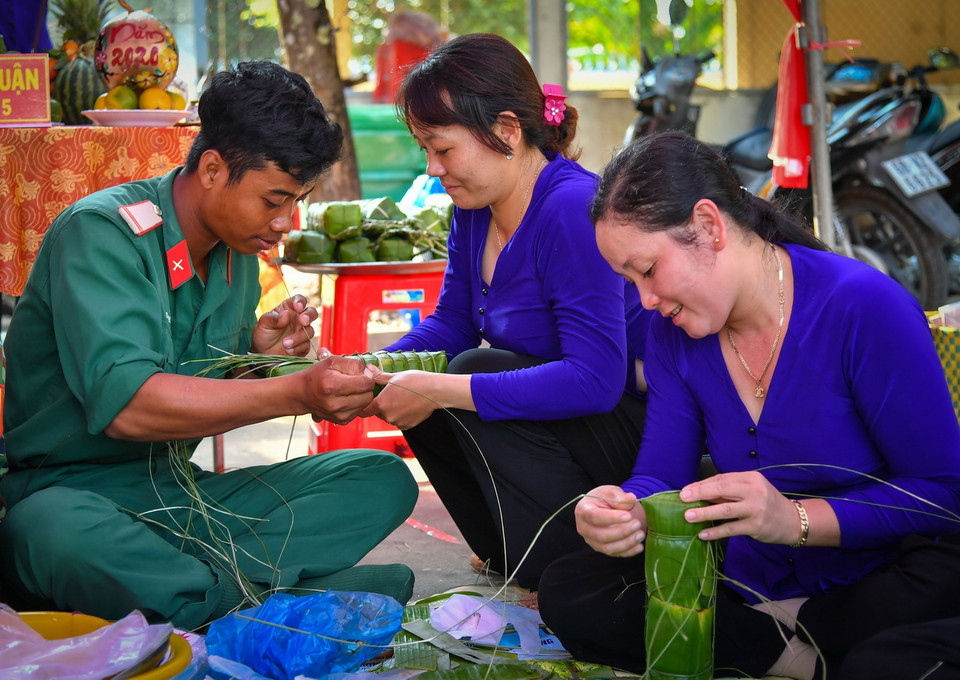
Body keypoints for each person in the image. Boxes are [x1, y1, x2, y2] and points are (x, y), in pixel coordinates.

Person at [0, 61, 418, 630]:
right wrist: (294, 391)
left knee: (378, 479)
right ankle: (274, 604)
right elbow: (128, 406)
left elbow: (200, 378)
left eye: (295, 201)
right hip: (76, 496)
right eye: (273, 200)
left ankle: (201, 595)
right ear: (215, 169)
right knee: (48, 533)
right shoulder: (101, 234)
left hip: (183, 498)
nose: (284, 224)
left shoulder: (235, 254)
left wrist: (257, 358)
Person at [536, 132, 960, 678]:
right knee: (570, 586)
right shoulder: (674, 336)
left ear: (709, 226)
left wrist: (797, 519)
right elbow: (662, 476)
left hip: (879, 573)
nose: (644, 301)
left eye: (647, 271)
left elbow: (945, 495)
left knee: (944, 577)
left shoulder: (863, 307)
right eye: (628, 281)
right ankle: (801, 651)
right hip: (742, 580)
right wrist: (626, 511)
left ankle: (773, 640)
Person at [364, 33, 652, 591]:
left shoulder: (571, 209)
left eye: (442, 149)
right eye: (425, 149)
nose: (431, 168)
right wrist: (368, 368)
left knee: (464, 373)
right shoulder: (473, 208)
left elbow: (595, 381)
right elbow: (449, 324)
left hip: (632, 437)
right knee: (427, 383)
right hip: (564, 433)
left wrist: (440, 387)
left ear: (506, 131)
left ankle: (573, 563)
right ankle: (515, 553)